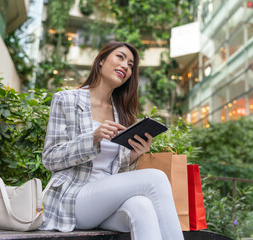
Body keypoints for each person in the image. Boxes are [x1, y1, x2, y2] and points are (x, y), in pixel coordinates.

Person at [40, 41, 184, 240]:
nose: (126, 66)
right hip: (74, 198)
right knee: (156, 178)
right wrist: (93, 138)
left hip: (105, 202)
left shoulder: (122, 114)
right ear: (101, 61)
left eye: (131, 65)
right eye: (120, 57)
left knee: (142, 207)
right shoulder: (66, 100)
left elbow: (117, 173)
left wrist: (134, 155)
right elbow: (49, 158)